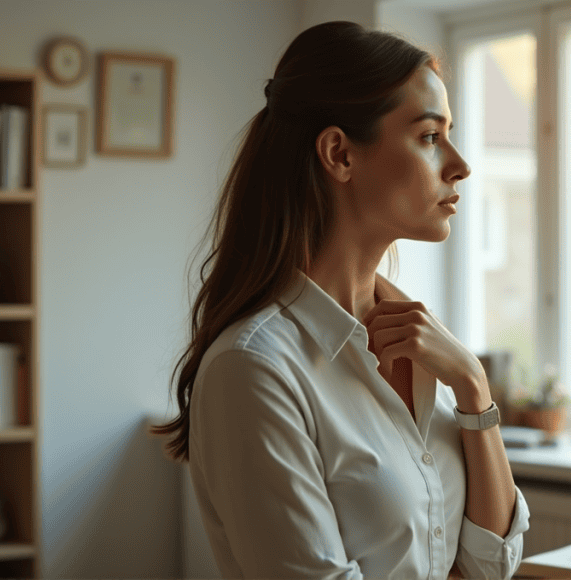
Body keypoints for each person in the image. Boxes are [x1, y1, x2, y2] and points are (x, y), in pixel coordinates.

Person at [150, 20, 530, 579]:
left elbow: (491, 566)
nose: (460, 164)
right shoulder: (254, 368)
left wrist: (474, 389)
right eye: (429, 136)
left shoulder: (429, 351)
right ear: (340, 155)